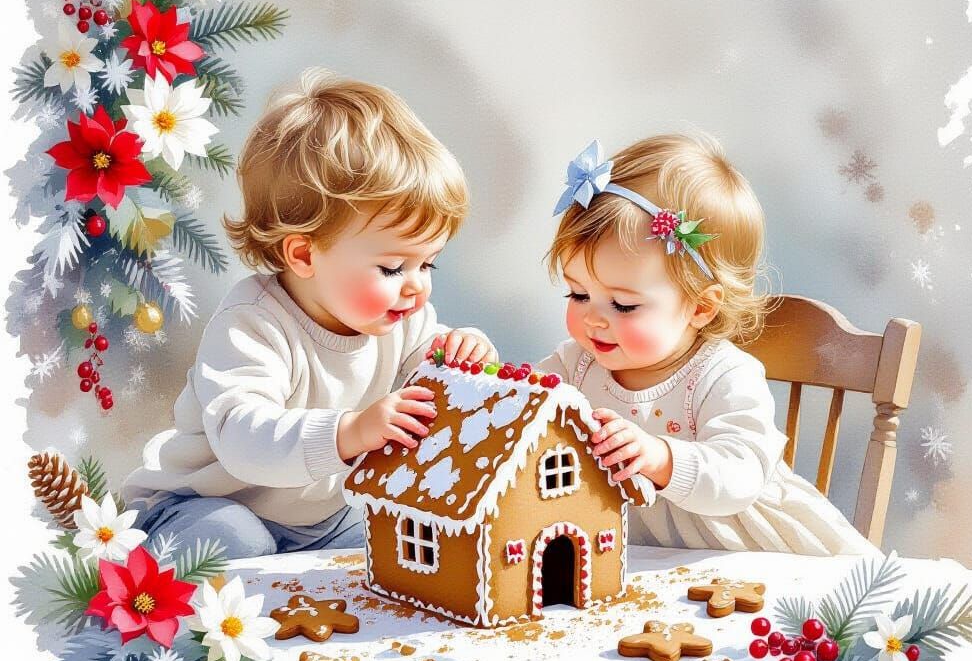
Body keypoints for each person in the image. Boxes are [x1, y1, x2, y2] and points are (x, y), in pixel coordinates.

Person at [122, 69, 496, 557]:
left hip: (320, 519)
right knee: (235, 537)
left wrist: (464, 355)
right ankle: (148, 570)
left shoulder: (403, 321)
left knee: (399, 545)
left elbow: (428, 386)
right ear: (303, 255)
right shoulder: (252, 324)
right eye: (392, 267)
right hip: (205, 506)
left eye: (427, 263)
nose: (416, 286)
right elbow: (242, 438)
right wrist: (349, 431)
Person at [537, 134, 875, 555]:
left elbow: (741, 473)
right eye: (578, 295)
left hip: (747, 554)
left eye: (623, 304)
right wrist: (472, 356)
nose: (593, 318)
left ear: (700, 306)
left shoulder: (722, 374)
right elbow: (519, 408)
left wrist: (660, 457)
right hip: (638, 560)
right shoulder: (574, 367)